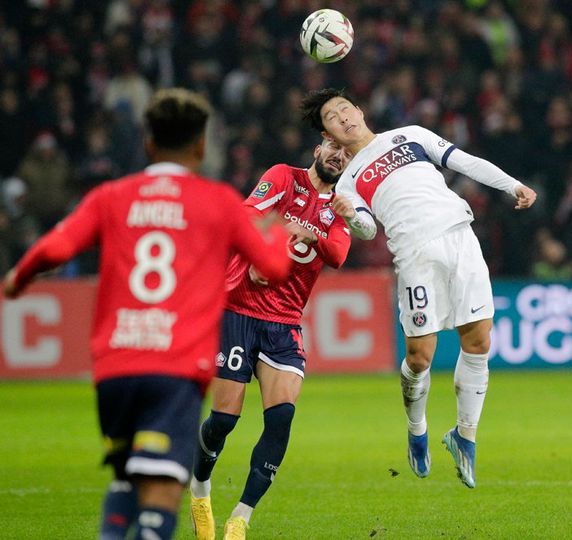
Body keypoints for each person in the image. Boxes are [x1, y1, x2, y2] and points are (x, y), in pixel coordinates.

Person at [2, 88, 292, 540]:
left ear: (148, 143)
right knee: (159, 492)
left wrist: (17, 279)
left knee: (124, 478)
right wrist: (275, 233)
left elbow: (55, 248)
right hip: (173, 368)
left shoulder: (112, 196)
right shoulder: (216, 202)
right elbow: (274, 266)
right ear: (200, 145)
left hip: (115, 367)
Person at [300, 88, 537, 488]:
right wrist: (349, 216)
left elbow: (464, 162)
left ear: (359, 110)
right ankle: (417, 428)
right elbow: (367, 228)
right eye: (331, 117)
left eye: (345, 108)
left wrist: (513, 185)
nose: (342, 117)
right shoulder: (348, 183)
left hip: (461, 237)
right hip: (414, 253)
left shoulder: (410, 135)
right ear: (328, 136)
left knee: (479, 342)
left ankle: (464, 435)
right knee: (420, 356)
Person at [188, 139, 352, 540]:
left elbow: (339, 255)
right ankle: (200, 489)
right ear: (318, 147)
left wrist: (310, 235)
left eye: (348, 152)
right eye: (334, 145)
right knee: (223, 421)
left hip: (284, 321)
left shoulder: (343, 207)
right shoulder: (283, 177)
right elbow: (244, 216)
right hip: (238, 310)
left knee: (281, 418)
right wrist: (277, 236)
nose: (339, 154)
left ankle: (240, 518)